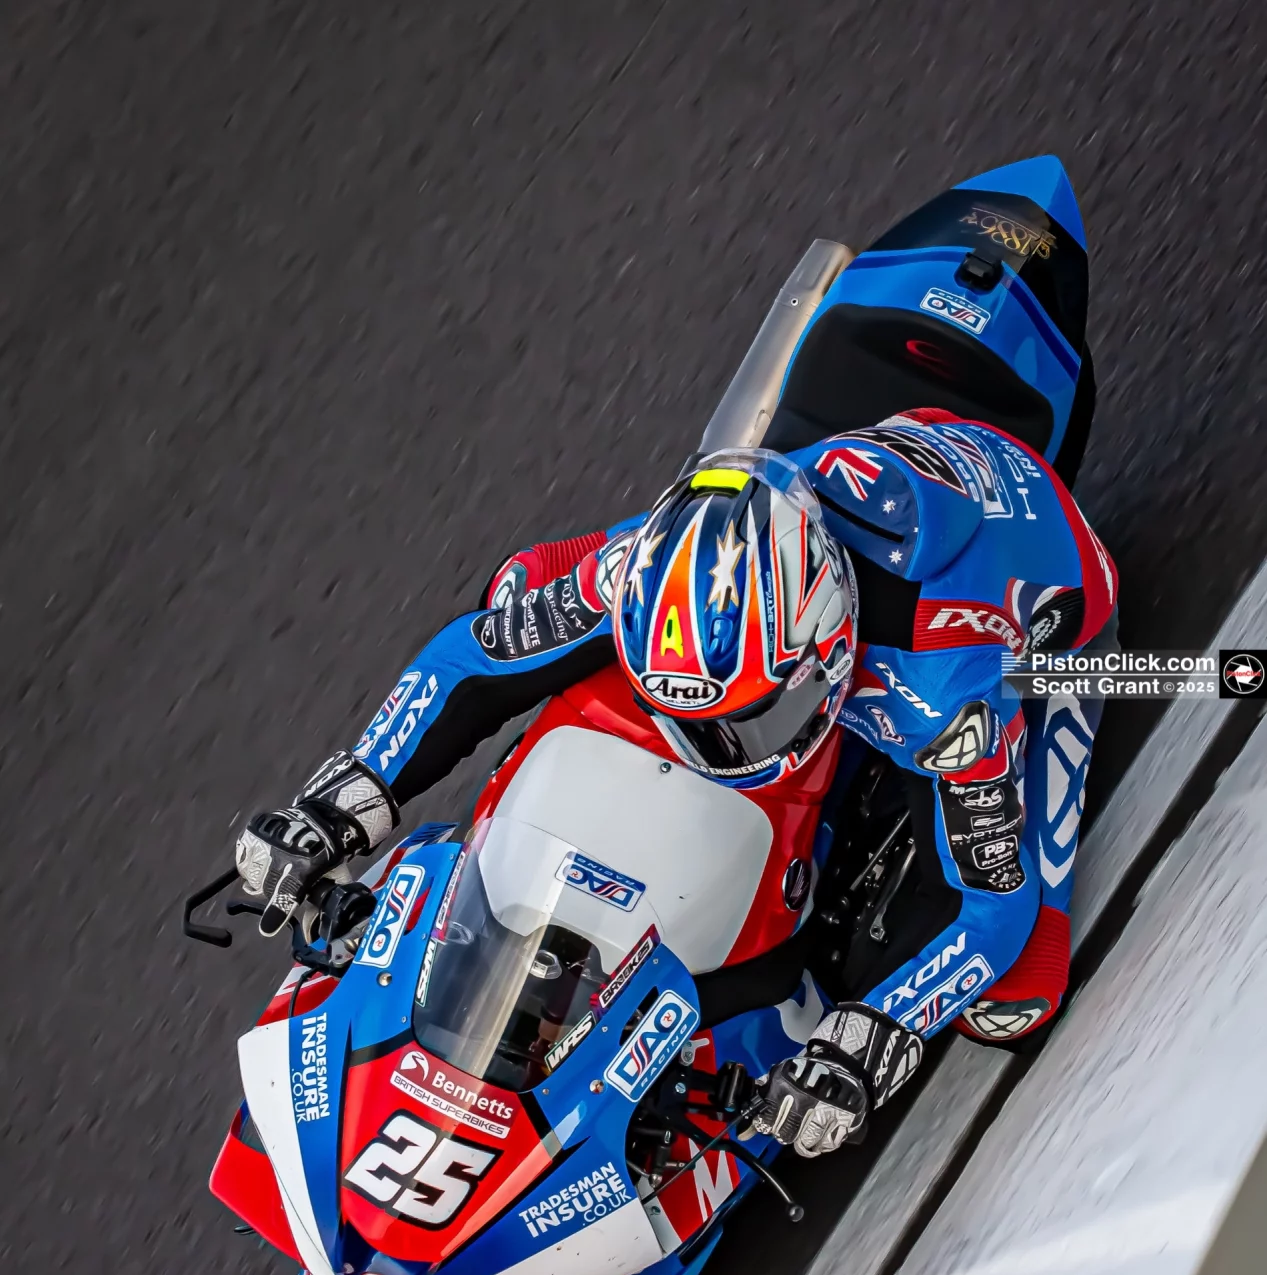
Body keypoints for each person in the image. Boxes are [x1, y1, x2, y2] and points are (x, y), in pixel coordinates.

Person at [235, 411, 1117, 1159]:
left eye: (744, 725)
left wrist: (872, 1034)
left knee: (1011, 996)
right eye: (690, 720)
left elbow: (990, 910)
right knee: (521, 592)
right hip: (836, 495)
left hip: (1039, 618)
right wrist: (341, 799)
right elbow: (473, 656)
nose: (710, 751)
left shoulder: (942, 691)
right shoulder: (639, 572)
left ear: (825, 652)